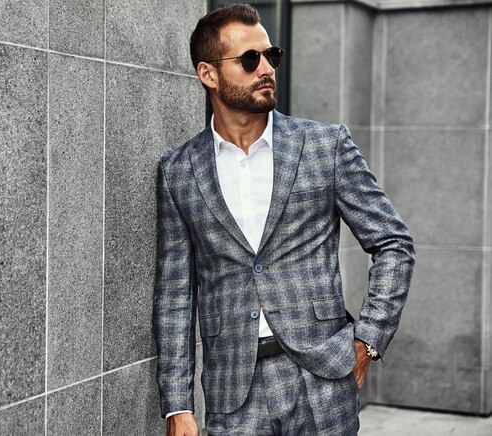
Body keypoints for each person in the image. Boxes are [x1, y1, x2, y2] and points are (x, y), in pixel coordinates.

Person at [153, 4, 415, 435]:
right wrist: (176, 404)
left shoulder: (324, 146)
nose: (266, 69)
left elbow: (393, 242)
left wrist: (368, 339)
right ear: (208, 75)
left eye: (270, 55)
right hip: (233, 393)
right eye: (249, 59)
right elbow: (175, 295)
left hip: (323, 378)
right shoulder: (179, 171)